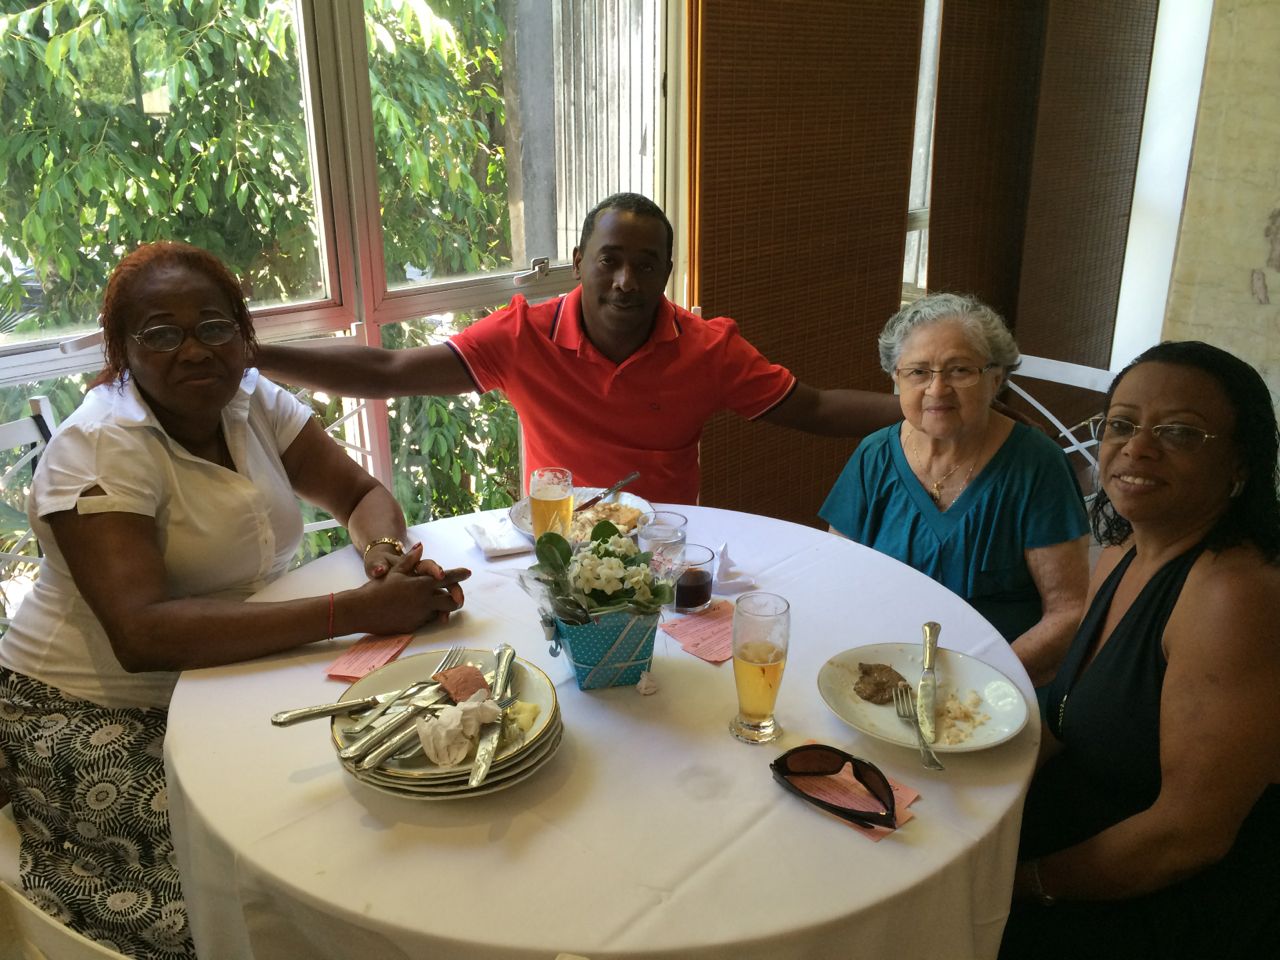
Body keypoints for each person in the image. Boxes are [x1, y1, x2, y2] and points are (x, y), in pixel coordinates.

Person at [0, 242, 468, 959]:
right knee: (246, 881)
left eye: (214, 327)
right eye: (161, 333)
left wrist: (381, 558)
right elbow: (141, 634)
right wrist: (352, 612)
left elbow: (360, 493)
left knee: (383, 794)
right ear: (122, 350)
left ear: (245, 336)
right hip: (91, 707)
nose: (194, 350)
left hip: (229, 678)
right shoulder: (100, 447)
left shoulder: (251, 402)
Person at [254, 192, 905, 505]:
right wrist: (255, 354)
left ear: (667, 273)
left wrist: (923, 408)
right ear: (578, 262)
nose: (626, 282)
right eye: (609, 260)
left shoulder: (709, 351)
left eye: (645, 266)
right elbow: (389, 370)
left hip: (664, 553)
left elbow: (815, 408)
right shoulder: (521, 336)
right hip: (555, 549)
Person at [1000, 341, 1280, 960]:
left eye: (1179, 432)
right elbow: (1068, 716)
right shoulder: (1124, 551)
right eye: (1122, 424)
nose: (1137, 447)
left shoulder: (1233, 596)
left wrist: (1019, 885)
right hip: (1078, 840)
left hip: (1163, 901)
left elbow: (1187, 837)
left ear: (1239, 461)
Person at [819, 294, 1090, 686]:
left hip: (998, 687)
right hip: (883, 671)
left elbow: (1068, 611)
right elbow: (838, 575)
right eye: (918, 372)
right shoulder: (874, 455)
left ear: (996, 378)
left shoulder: (1037, 465)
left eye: (959, 370)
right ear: (896, 378)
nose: (937, 389)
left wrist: (980, 686)